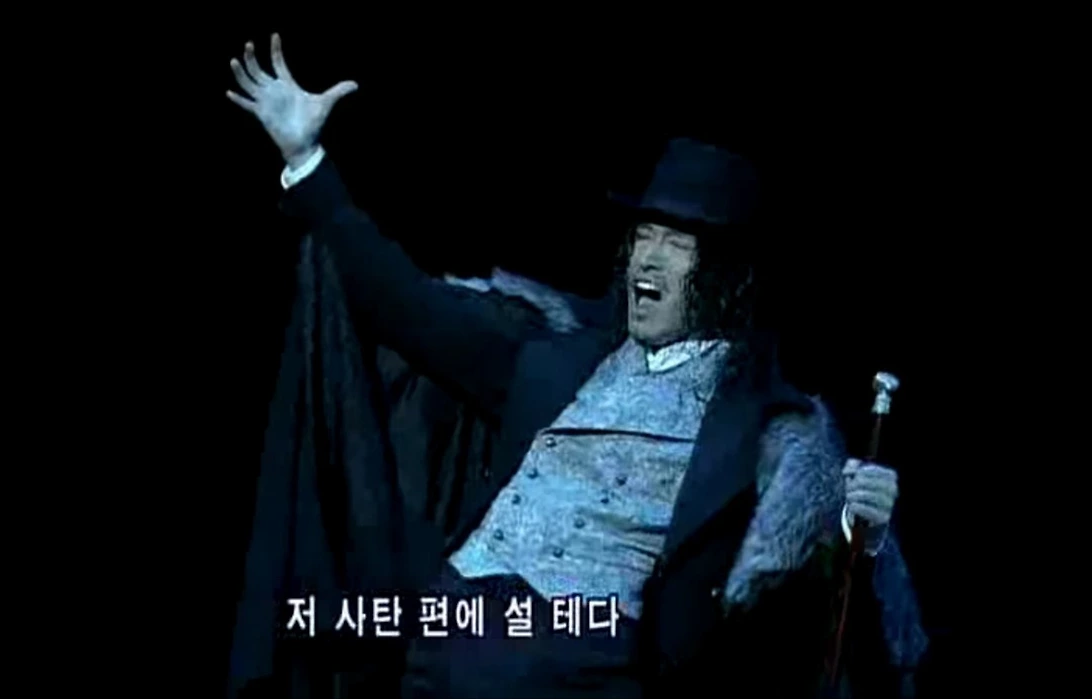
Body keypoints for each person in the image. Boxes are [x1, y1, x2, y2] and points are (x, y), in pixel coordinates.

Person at [227, 34, 925, 698]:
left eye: (678, 245)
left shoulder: (764, 423)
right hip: (451, 618)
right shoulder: (556, 355)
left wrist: (858, 535)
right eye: (644, 236)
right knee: (321, 619)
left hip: (581, 644)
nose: (649, 258)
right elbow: (405, 304)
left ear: (723, 278)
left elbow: (805, 601)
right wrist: (307, 158)